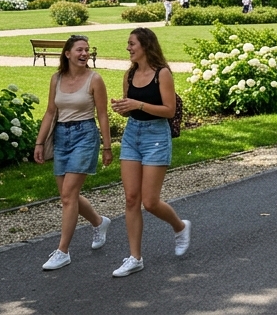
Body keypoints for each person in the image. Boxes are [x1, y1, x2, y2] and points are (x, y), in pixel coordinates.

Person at [110, 28, 191, 277]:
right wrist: (123, 108)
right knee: (131, 198)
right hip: (132, 135)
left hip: (156, 136)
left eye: (132, 44)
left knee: (150, 201)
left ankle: (180, 226)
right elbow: (130, 107)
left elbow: (169, 110)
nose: (128, 48)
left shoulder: (162, 74)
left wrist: (138, 104)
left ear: (145, 45)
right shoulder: (129, 74)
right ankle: (135, 257)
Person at [33, 35, 113, 271]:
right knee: (68, 196)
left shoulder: (95, 79)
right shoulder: (56, 78)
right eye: (79, 49)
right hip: (61, 137)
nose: (84, 54)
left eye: (87, 50)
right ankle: (99, 222)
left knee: (68, 195)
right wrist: (39, 143)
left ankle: (62, 251)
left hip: (85, 135)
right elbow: (50, 112)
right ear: (67, 53)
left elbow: (103, 115)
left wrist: (107, 146)